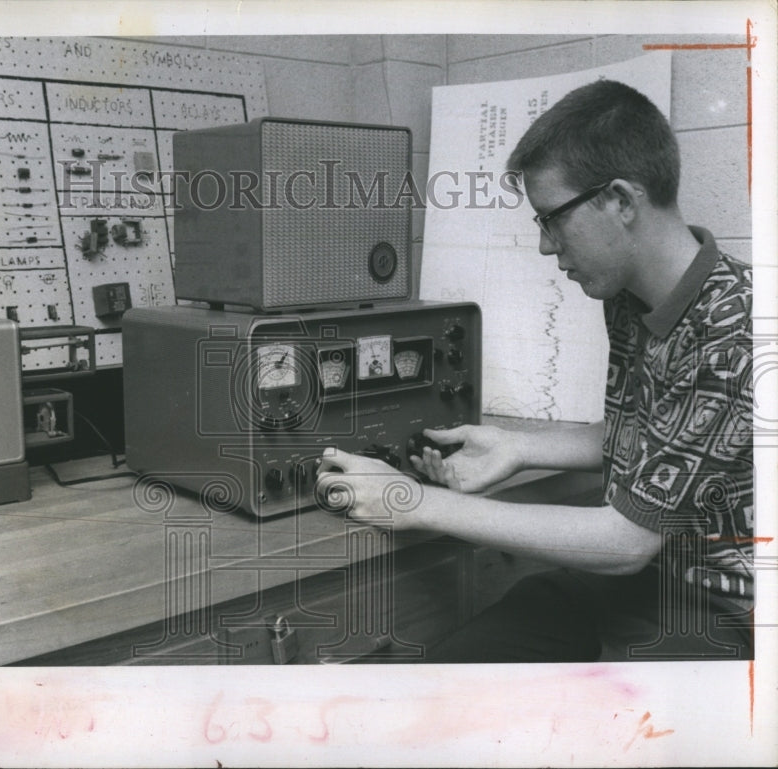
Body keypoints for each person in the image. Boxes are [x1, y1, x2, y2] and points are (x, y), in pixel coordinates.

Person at [315, 79, 754, 663]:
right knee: (446, 675)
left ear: (621, 201)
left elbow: (625, 542)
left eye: (553, 219)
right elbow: (657, 435)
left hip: (725, 614)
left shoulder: (737, 327)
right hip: (647, 583)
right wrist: (518, 447)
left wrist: (412, 503)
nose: (548, 247)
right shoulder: (629, 296)